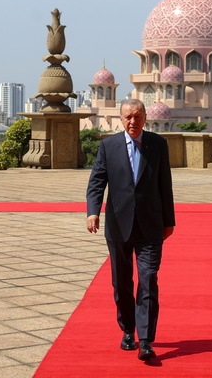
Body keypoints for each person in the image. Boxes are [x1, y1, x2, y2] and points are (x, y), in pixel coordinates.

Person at [86, 99, 175, 361]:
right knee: (122, 283)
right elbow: (97, 182)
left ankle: (146, 339)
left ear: (145, 117)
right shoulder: (108, 146)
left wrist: (169, 221)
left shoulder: (158, 144)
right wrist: (93, 211)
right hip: (118, 226)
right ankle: (127, 331)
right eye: (128, 117)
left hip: (150, 226)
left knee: (148, 280)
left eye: (137, 116)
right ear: (120, 119)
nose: (132, 122)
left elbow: (164, 184)